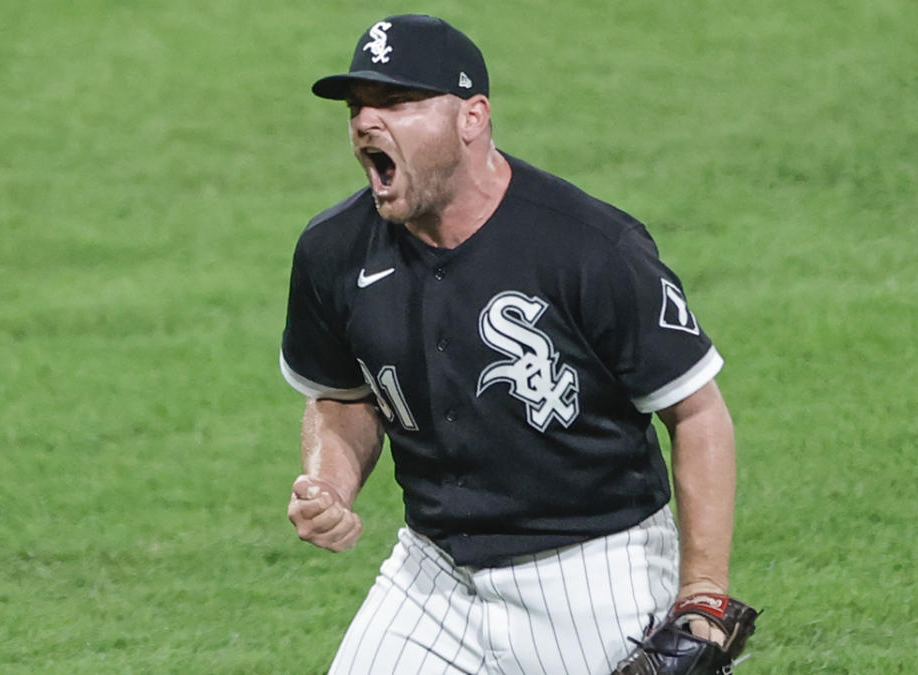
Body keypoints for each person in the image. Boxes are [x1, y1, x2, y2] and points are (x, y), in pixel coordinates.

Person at [281, 14, 738, 674]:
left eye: (397, 102)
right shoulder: (334, 251)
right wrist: (329, 481)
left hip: (596, 570)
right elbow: (343, 396)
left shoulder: (588, 247)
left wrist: (703, 597)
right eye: (357, 106)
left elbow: (697, 412)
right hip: (433, 573)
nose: (364, 122)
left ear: (472, 117)